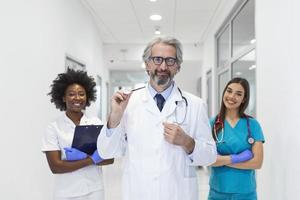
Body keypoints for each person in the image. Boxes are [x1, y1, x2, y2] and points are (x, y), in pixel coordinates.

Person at [97, 36, 217, 200]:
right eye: (157, 59)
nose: (163, 66)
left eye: (170, 61)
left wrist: (187, 142)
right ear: (147, 64)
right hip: (139, 192)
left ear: (178, 67)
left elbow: (210, 156)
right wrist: (115, 117)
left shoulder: (195, 105)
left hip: (178, 193)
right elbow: (106, 151)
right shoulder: (127, 102)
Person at [42, 69, 113, 200]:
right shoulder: (53, 127)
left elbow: (109, 158)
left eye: (81, 94)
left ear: (87, 97)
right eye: (71, 94)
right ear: (63, 97)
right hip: (66, 192)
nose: (77, 98)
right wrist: (91, 159)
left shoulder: (95, 122)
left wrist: (76, 159)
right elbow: (56, 166)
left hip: (94, 190)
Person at [208, 77, 265, 200]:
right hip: (218, 192)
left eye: (238, 94)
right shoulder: (212, 124)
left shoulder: (252, 124)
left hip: (245, 193)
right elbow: (208, 159)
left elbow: (257, 162)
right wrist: (238, 158)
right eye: (229, 91)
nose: (232, 96)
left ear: (244, 99)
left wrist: (222, 160)